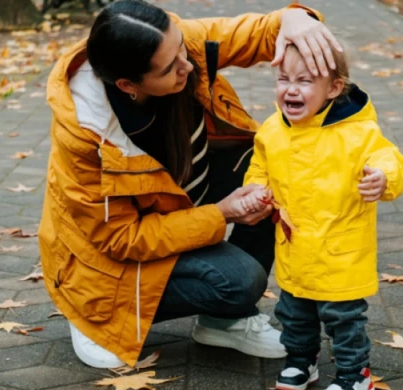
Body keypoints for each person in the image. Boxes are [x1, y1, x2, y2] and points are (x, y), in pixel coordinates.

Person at [38, 0, 343, 369]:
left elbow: (259, 33)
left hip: (176, 206)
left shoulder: (174, 46)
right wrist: (221, 214)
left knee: (272, 175)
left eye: (182, 47)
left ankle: (223, 322)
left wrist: (295, 17)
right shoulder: (88, 138)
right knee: (240, 281)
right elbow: (121, 239)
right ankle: (96, 317)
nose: (187, 64)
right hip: (106, 262)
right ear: (128, 85)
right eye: (170, 68)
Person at [242, 44, 403, 390]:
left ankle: (354, 375)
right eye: (284, 79)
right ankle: (302, 361)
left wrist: (383, 177)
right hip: (295, 247)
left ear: (334, 88)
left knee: (343, 318)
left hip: (340, 250)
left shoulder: (358, 131)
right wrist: (255, 187)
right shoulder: (272, 129)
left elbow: (386, 157)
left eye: (304, 80)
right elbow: (259, 166)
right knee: (293, 311)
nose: (291, 89)